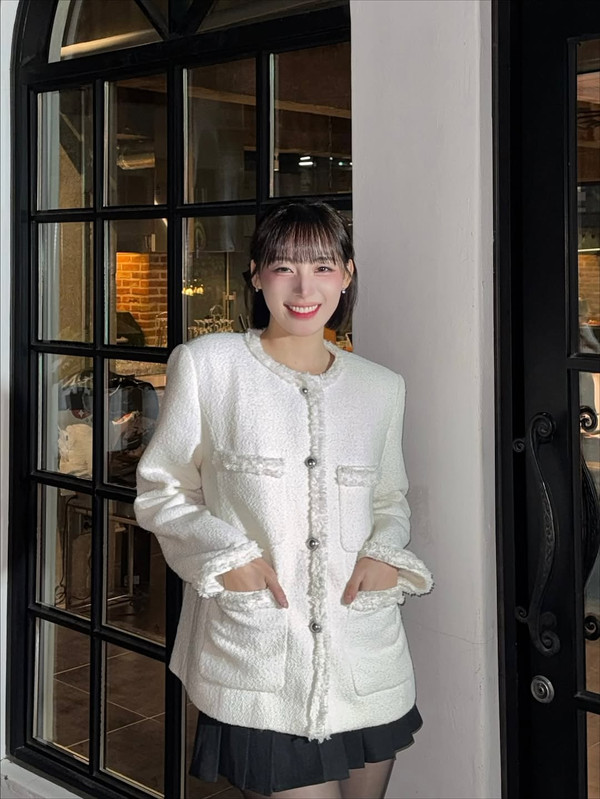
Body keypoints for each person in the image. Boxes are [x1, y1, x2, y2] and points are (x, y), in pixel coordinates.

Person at [134, 200, 433, 799]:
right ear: (256, 275)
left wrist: (382, 554)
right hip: (262, 651)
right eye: (284, 267)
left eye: (322, 267)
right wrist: (229, 558)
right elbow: (163, 489)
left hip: (362, 654)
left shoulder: (380, 388)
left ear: (346, 275)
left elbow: (389, 498)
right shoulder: (209, 366)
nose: (303, 288)